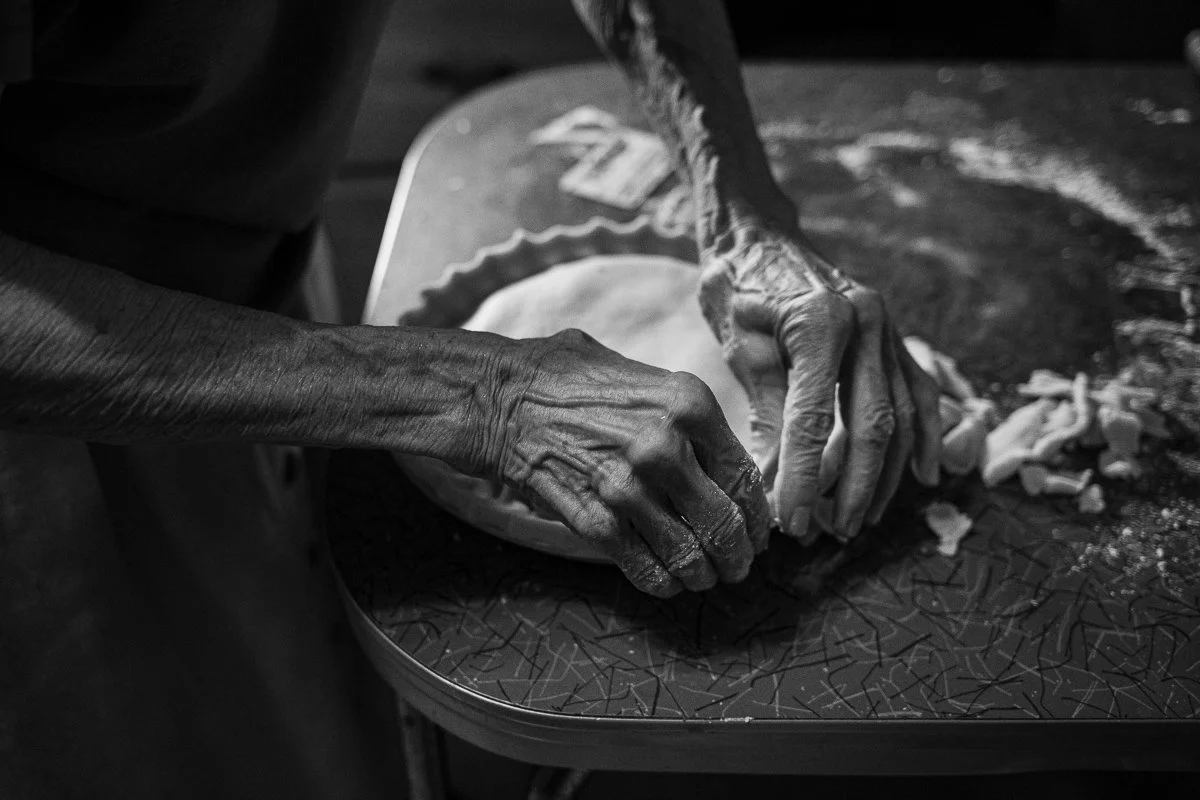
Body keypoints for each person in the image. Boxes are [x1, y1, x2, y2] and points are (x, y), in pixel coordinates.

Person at [0, 1, 940, 796]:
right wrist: (481, 394)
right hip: (51, 427)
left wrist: (743, 206)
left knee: (331, 715)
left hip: (253, 269)